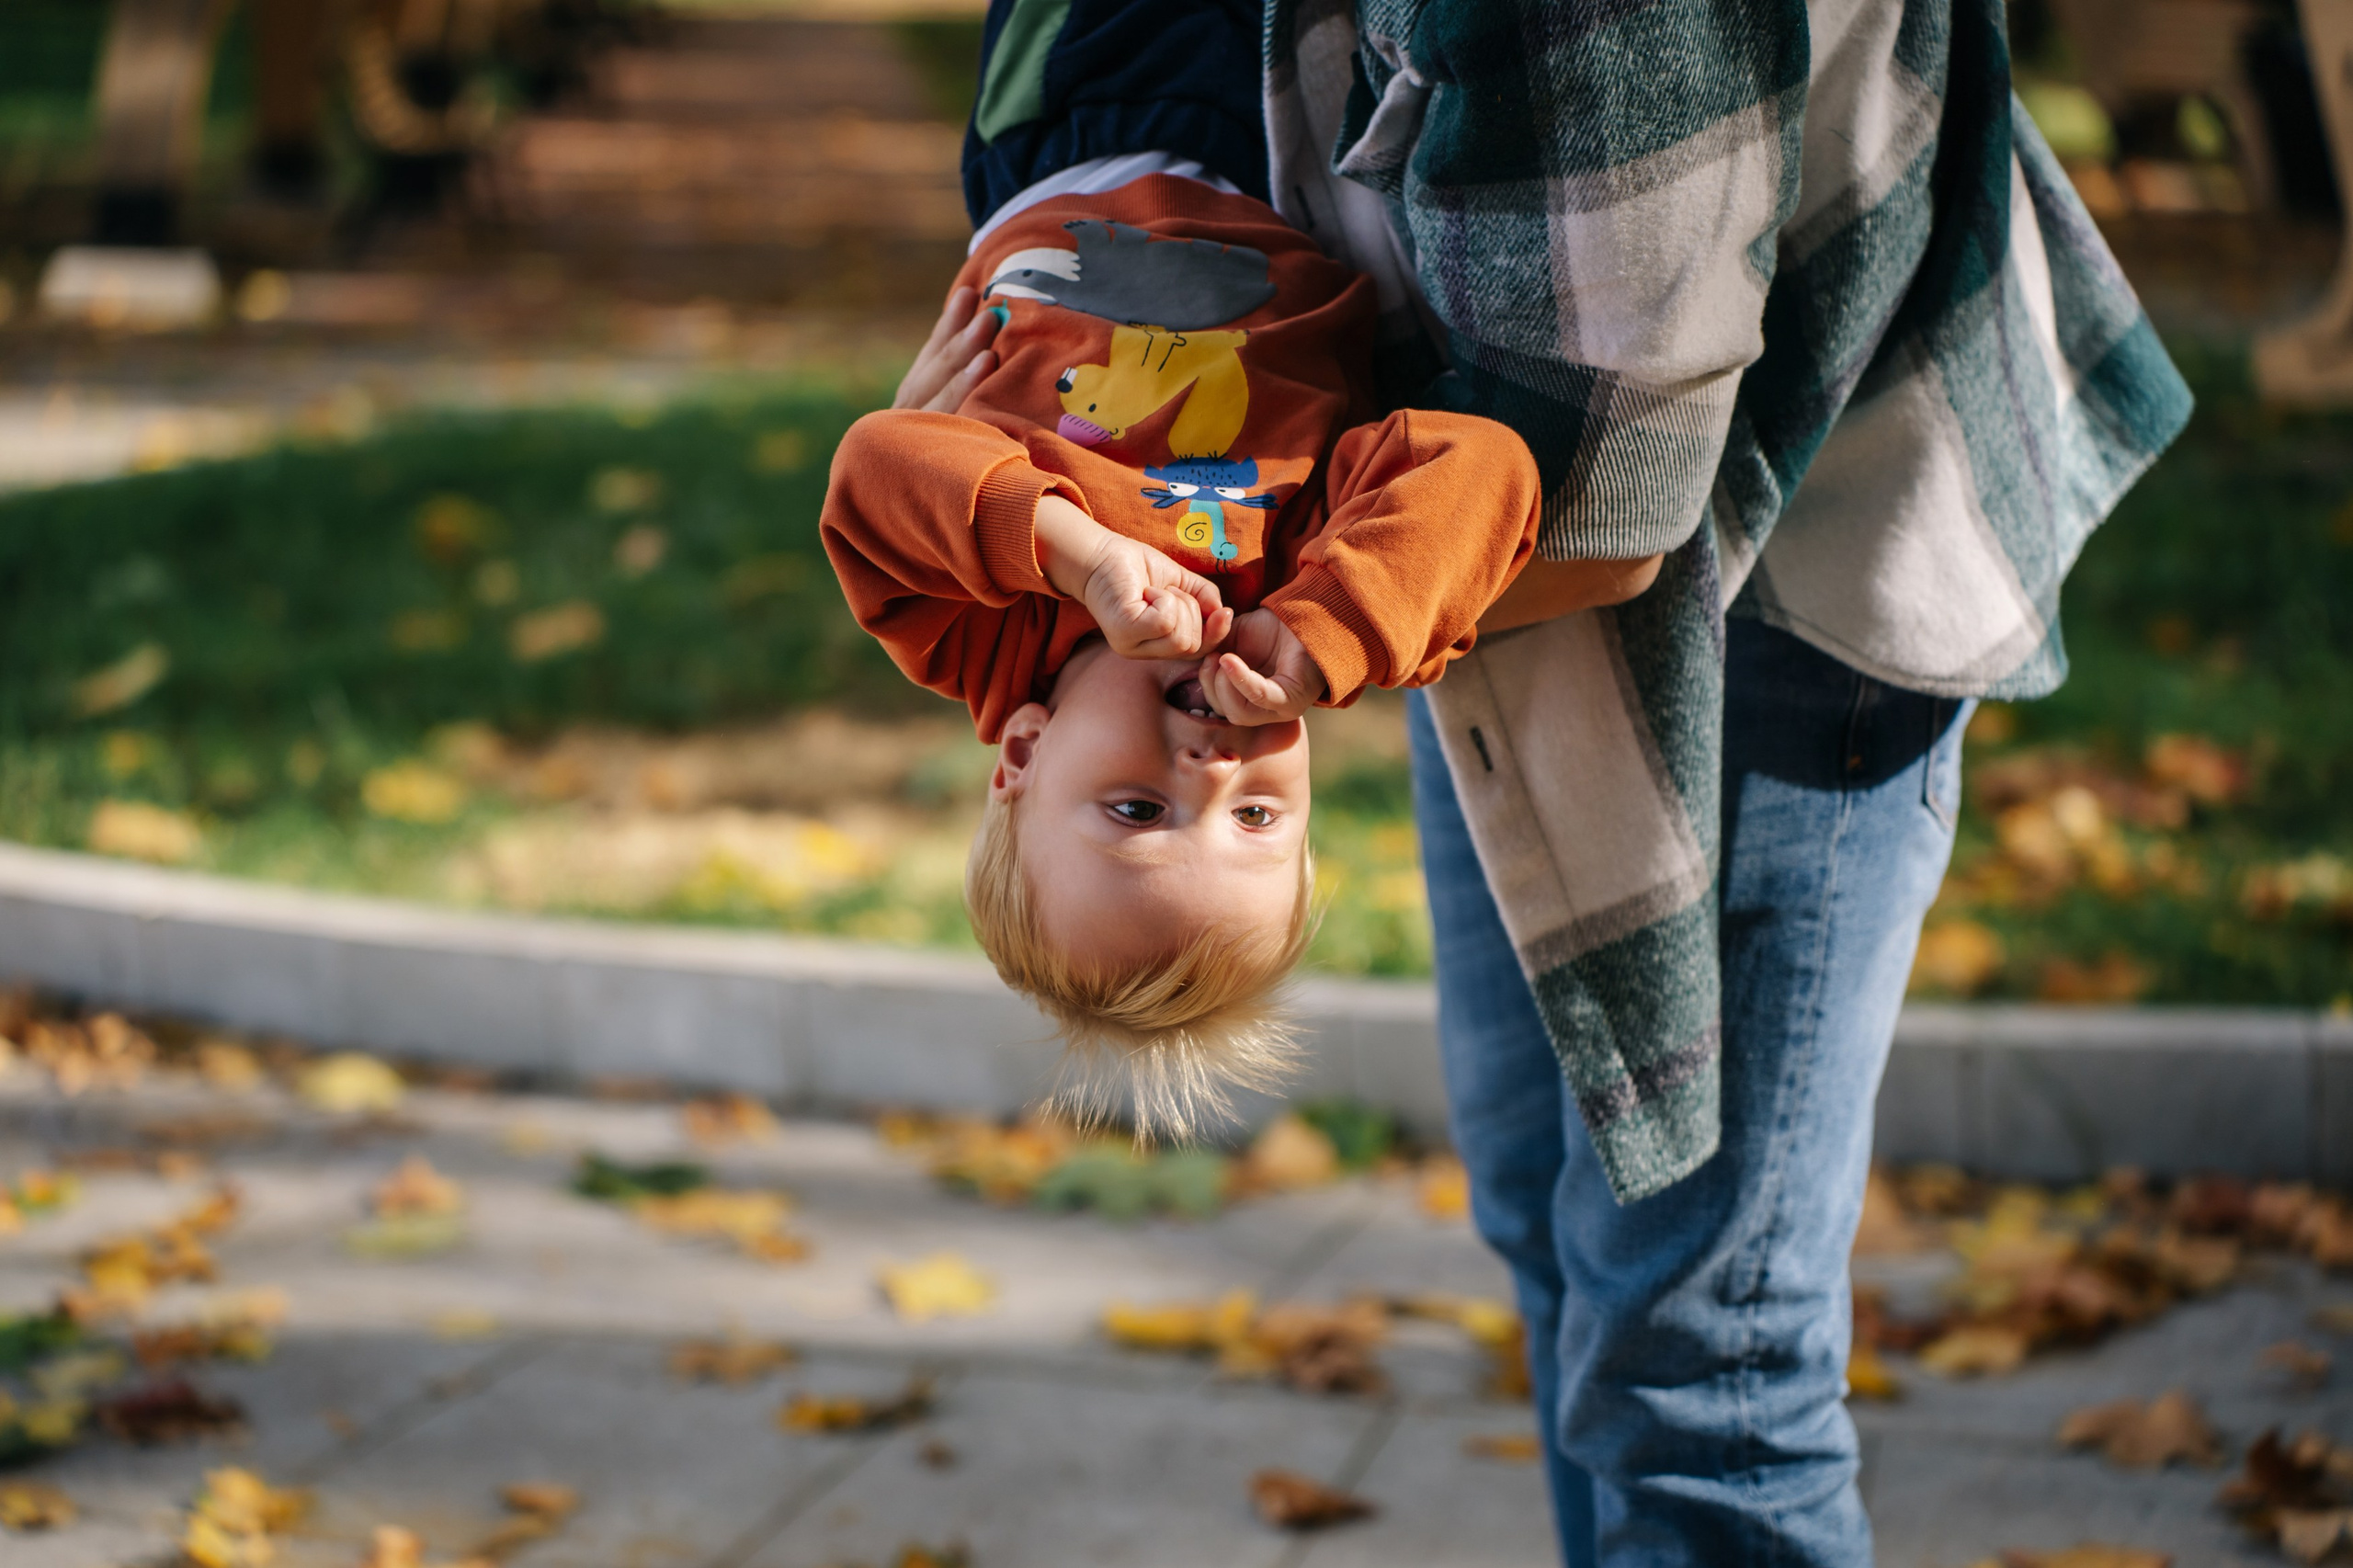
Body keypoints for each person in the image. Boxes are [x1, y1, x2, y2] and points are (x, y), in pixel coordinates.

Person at [1251, 0, 2196, 1561]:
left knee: (1700, 1364)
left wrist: (1282, 616)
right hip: (1461, 559)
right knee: (1553, 1226)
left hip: (1776, 567)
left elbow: (1609, 482)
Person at [824, 0, 1649, 1130]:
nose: (1211, 773)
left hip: (1069, 131)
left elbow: (877, 468)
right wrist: (1333, 627)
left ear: (1022, 755)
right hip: (1272, 144)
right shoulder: (1313, 587)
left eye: (1137, 807)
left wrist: (1080, 556)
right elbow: (1483, 464)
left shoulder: (972, 631)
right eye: (1257, 818)